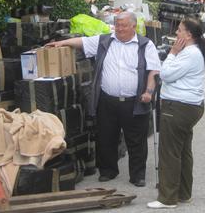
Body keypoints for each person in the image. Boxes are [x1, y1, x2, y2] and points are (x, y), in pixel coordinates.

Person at [47, 11, 161, 187]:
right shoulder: (105, 40)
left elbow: (153, 70)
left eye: (123, 25)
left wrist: (149, 91)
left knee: (136, 140)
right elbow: (82, 43)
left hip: (135, 101)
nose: (120, 28)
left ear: (133, 26)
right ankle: (108, 171)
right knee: (106, 137)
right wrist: (61, 43)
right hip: (107, 100)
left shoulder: (146, 45)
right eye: (117, 24)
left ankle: (137, 175)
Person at [147, 18, 205, 209]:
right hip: (190, 106)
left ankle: (167, 198)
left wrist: (172, 53)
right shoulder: (197, 51)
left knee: (169, 153)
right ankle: (184, 193)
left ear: (189, 35)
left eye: (179, 30)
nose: (176, 33)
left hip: (178, 107)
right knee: (183, 151)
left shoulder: (188, 54)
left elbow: (165, 74)